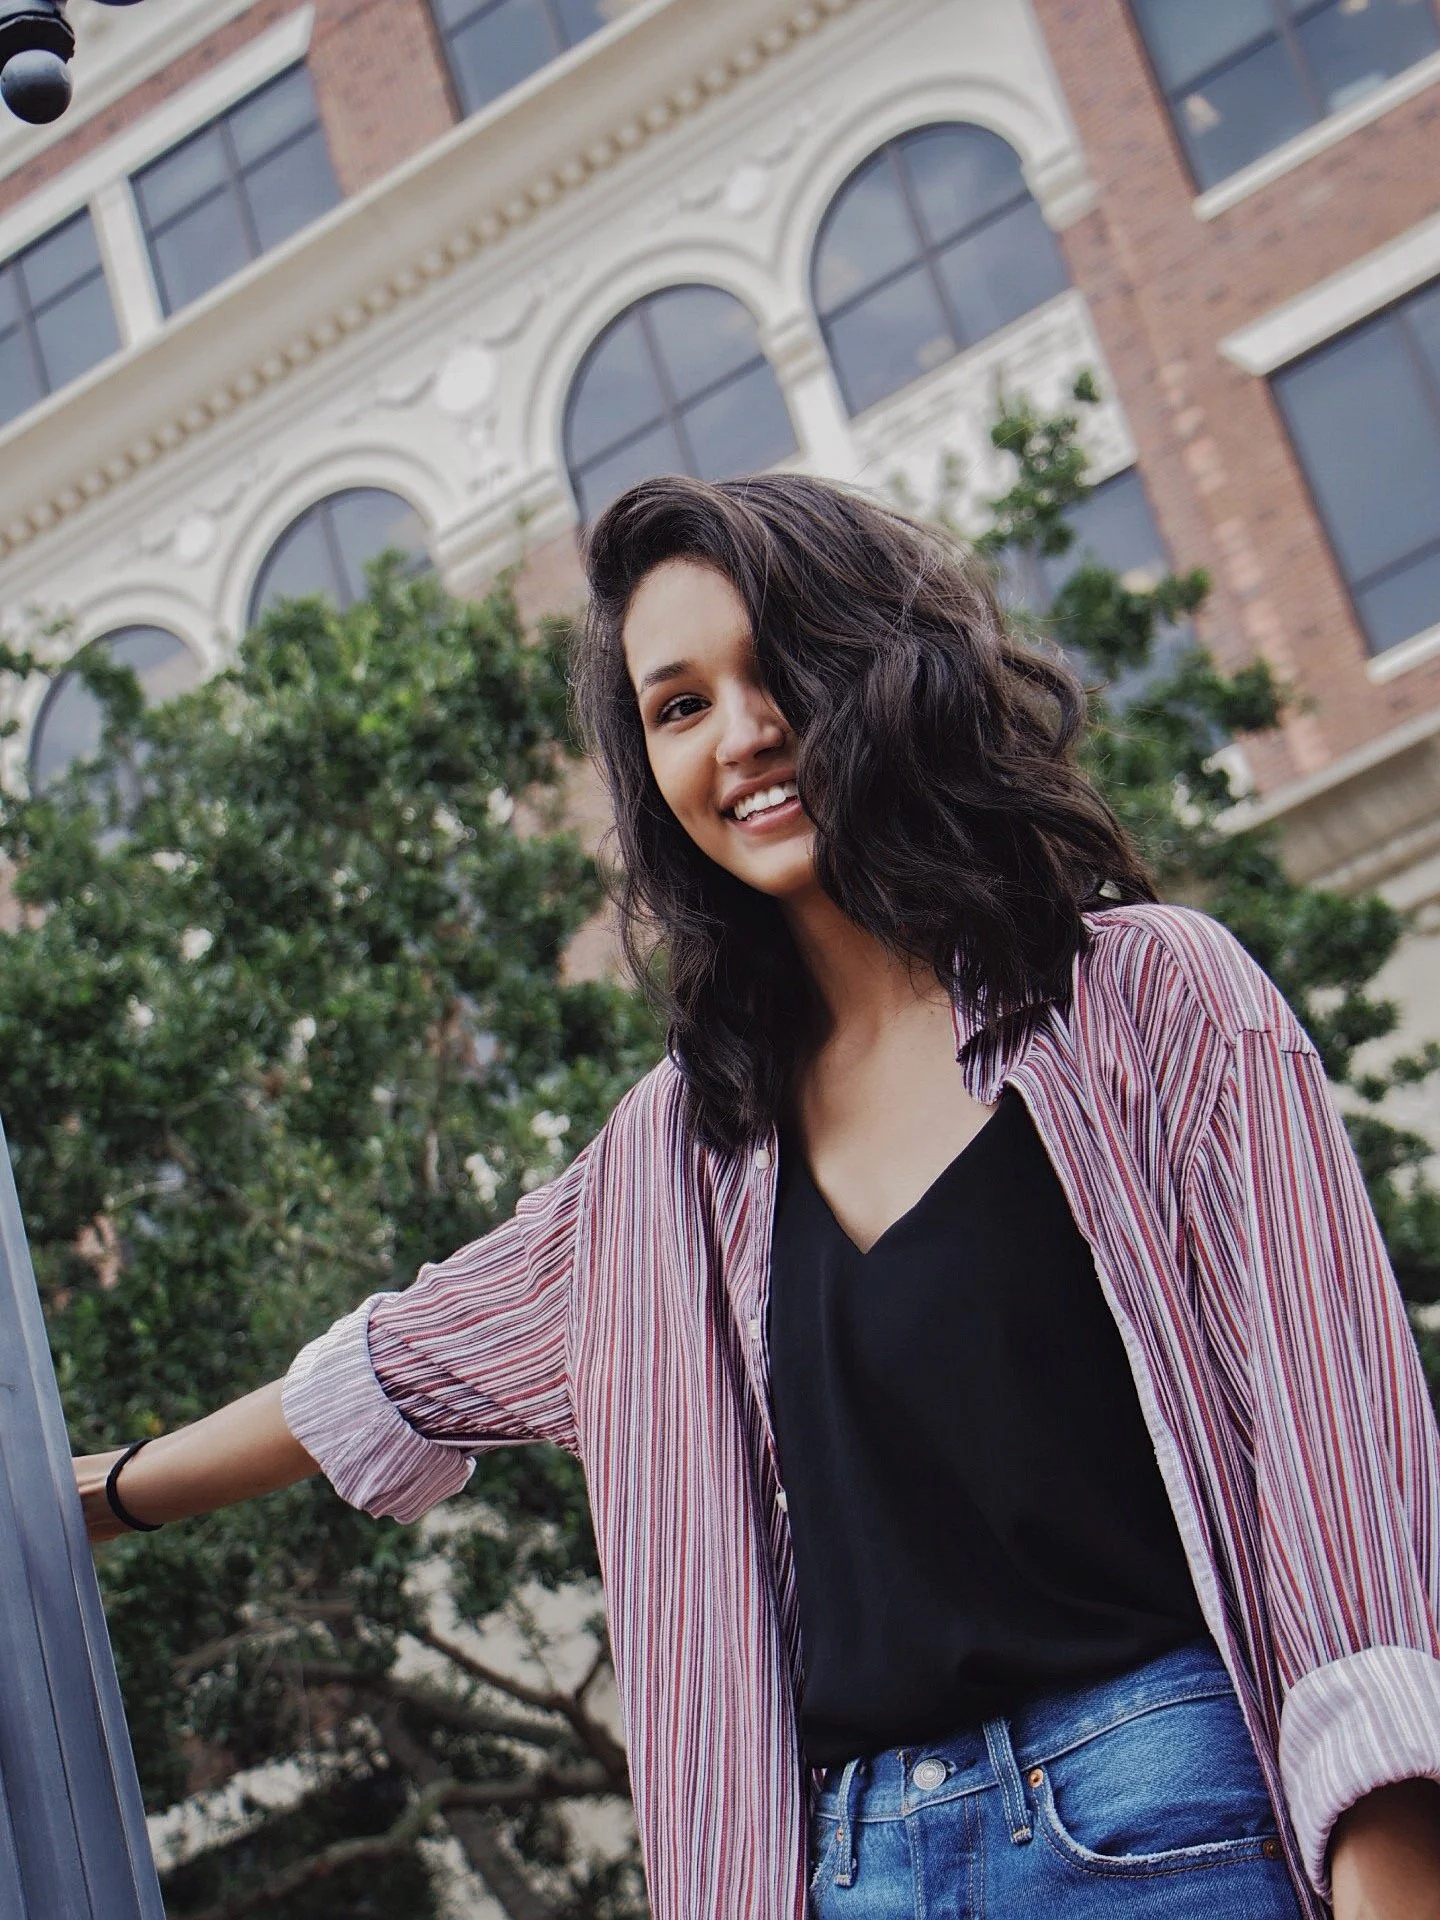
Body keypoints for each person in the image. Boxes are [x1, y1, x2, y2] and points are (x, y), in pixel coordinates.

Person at [75, 474, 1440, 1920]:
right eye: (677, 705)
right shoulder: (672, 1164)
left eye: (777, 665)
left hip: (1164, 1827)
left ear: (881, 664)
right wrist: (86, 1500)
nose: (744, 734)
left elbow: (1344, 1512)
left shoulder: (1152, 1003)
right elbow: (386, 1374)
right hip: (848, 1871)